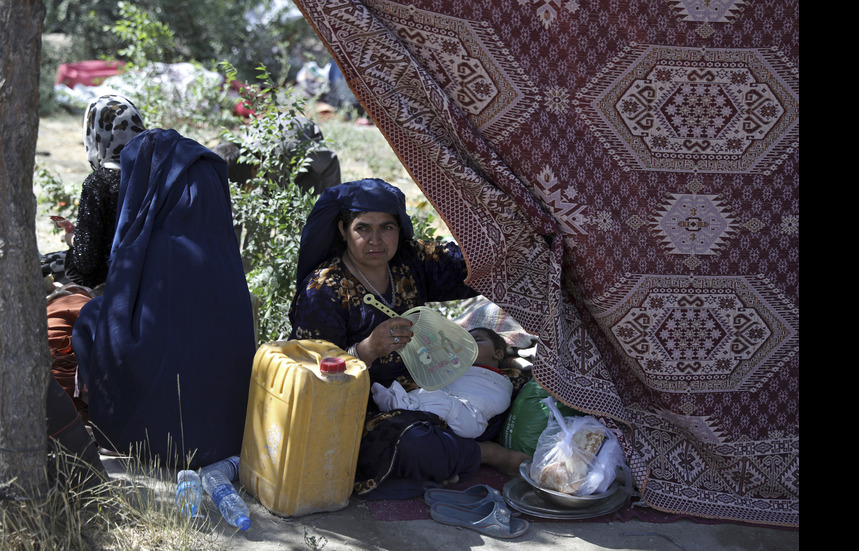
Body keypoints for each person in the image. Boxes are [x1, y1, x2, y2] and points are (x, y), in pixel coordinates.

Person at [289, 178, 529, 499]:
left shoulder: (407, 261)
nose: (376, 241)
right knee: (412, 444)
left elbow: (468, 265)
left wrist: (521, 234)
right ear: (343, 230)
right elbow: (312, 374)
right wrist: (367, 349)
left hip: (429, 384)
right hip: (366, 411)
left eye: (386, 228)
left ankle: (450, 454)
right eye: (363, 229)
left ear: (399, 230)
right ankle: (486, 454)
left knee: (509, 385)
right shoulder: (323, 291)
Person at [72, 126, 256, 470]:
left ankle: (113, 423)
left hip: (153, 438)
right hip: (228, 435)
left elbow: (117, 315)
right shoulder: (224, 245)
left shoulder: (148, 243)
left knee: (88, 320)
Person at [63, 94, 146, 289]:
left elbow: (85, 260)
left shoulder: (98, 184)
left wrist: (72, 239)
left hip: (109, 286)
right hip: (148, 279)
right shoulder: (152, 172)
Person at [369, 328, 513, 439]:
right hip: (446, 407)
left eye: (477, 340)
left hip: (470, 418)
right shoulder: (455, 369)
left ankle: (399, 405)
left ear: (498, 354)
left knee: (438, 400)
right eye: (463, 342)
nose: (468, 345)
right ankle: (402, 403)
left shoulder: (499, 381)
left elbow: (498, 401)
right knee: (426, 394)